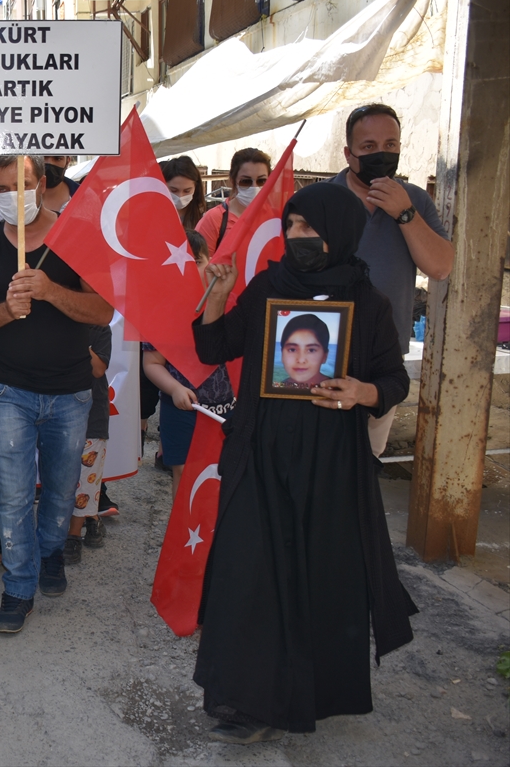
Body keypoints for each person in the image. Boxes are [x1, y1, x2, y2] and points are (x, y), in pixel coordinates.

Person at [193, 181, 415, 743]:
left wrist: (363, 392)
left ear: (340, 232)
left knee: (316, 579)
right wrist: (216, 297)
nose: (299, 237)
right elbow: (214, 348)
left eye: (311, 228)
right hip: (260, 455)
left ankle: (305, 696)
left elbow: (395, 381)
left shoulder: (368, 304)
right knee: (247, 577)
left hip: (331, 467)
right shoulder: (270, 286)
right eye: (292, 226)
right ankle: (243, 703)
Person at [0, 155, 113, 634]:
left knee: (62, 492)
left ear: (41, 183)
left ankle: (50, 553)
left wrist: (49, 291)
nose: (12, 196)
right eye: (1, 188)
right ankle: (18, 585)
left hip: (71, 393)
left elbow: (103, 310)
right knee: (14, 497)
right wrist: (6, 310)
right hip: (7, 392)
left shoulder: (78, 237)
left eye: (21, 185)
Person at [330, 103, 451, 456]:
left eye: (390, 145)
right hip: (323, 347)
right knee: (320, 456)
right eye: (368, 147)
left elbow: (441, 267)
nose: (380, 154)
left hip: (383, 355)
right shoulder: (321, 200)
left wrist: (405, 213)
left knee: (367, 459)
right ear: (349, 153)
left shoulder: (414, 200)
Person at [142, 232, 234, 499]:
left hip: (227, 407)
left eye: (197, 260)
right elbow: (152, 364)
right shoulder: (161, 310)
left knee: (224, 472)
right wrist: (174, 389)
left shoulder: (226, 299)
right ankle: (183, 536)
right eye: (178, 262)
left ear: (210, 260)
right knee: (182, 471)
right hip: (182, 408)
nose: (189, 268)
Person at [62, 324, 113, 564]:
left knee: (87, 475)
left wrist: (73, 333)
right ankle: (91, 519)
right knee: (62, 476)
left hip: (92, 414)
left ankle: (74, 536)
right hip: (57, 410)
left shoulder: (99, 327)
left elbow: (98, 368)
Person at [195, 148, 271, 254]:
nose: (254, 187)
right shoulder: (213, 220)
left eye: (261, 181)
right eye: (245, 181)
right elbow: (199, 266)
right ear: (232, 181)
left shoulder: (276, 218)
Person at [278, 315, 331, 388]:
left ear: (324, 356)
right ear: (282, 354)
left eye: (311, 350)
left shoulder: (340, 392)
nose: (301, 360)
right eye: (292, 350)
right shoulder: (276, 388)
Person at [162, 156, 206, 234]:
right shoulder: (151, 214)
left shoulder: (204, 217)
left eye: (187, 191)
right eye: (174, 190)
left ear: (196, 187)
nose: (180, 196)